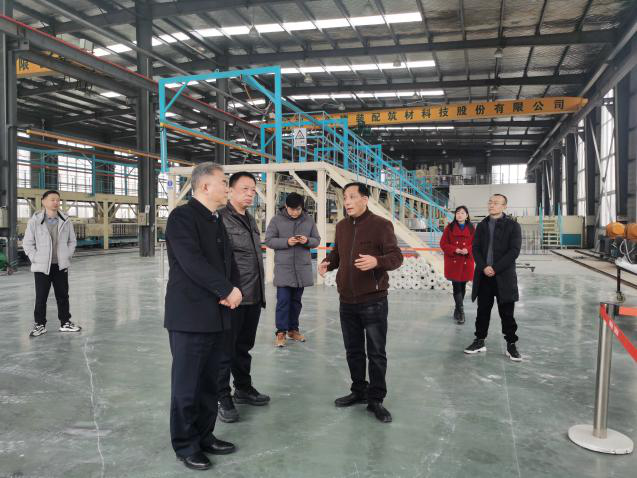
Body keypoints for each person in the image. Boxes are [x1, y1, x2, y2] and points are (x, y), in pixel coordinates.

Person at [164, 162, 242, 471]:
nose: (227, 187)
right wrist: (226, 289)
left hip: (217, 314)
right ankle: (185, 445)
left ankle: (204, 436)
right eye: (224, 182)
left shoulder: (215, 220)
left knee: (210, 382)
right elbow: (191, 262)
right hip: (190, 316)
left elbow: (227, 262)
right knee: (187, 385)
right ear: (205, 186)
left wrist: (235, 289)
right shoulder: (182, 217)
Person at [318, 182, 403, 423]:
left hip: (373, 301)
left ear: (365, 199)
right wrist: (327, 263)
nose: (347, 201)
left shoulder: (381, 225)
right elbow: (338, 254)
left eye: (352, 197)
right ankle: (359, 390)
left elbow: (396, 257)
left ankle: (376, 399)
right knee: (353, 350)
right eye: (345, 197)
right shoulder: (342, 226)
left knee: (376, 352)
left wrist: (377, 261)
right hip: (346, 300)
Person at [217, 172, 269, 423]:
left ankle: (243, 388)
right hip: (233, 297)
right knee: (224, 350)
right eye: (245, 189)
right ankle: (222, 396)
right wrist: (224, 291)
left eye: (253, 190)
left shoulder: (249, 218)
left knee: (243, 347)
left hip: (253, 294)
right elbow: (217, 260)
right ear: (230, 190)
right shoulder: (220, 219)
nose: (250, 194)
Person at [464, 194, 522, 362]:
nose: (491, 205)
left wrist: (495, 268)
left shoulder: (513, 226)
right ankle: (479, 341)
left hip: (504, 276)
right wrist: (484, 267)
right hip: (484, 276)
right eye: (490, 202)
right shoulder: (482, 225)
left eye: (496, 203)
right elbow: (475, 248)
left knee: (507, 313)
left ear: (504, 206)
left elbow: (514, 251)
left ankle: (511, 344)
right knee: (482, 311)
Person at [265, 192, 320, 348]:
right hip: (284, 269)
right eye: (292, 209)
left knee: (296, 302)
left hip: (301, 269)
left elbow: (317, 240)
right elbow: (269, 240)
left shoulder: (308, 220)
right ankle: (281, 332)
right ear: (286, 206)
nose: (295, 212)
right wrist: (287, 242)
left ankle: (293, 330)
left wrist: (306, 240)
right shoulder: (276, 220)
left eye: (298, 209)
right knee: (283, 301)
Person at [23, 190, 81, 337]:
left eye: (57, 200)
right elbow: (27, 243)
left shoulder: (65, 220)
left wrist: (67, 255)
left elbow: (72, 241)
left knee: (63, 295)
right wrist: (35, 258)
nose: (56, 202)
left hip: (60, 265)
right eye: (52, 199)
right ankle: (40, 325)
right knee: (41, 297)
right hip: (42, 266)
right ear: (43, 201)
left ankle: (65, 323)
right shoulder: (35, 221)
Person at [439, 206, 475, 324]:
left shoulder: (472, 228)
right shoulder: (449, 228)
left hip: (466, 260)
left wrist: (468, 249)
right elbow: (443, 243)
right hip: (453, 260)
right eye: (458, 213)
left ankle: (457, 309)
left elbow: (476, 243)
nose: (460, 215)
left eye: (463, 213)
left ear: (467, 215)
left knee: (462, 285)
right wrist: (455, 249)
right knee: (456, 285)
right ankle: (461, 312)